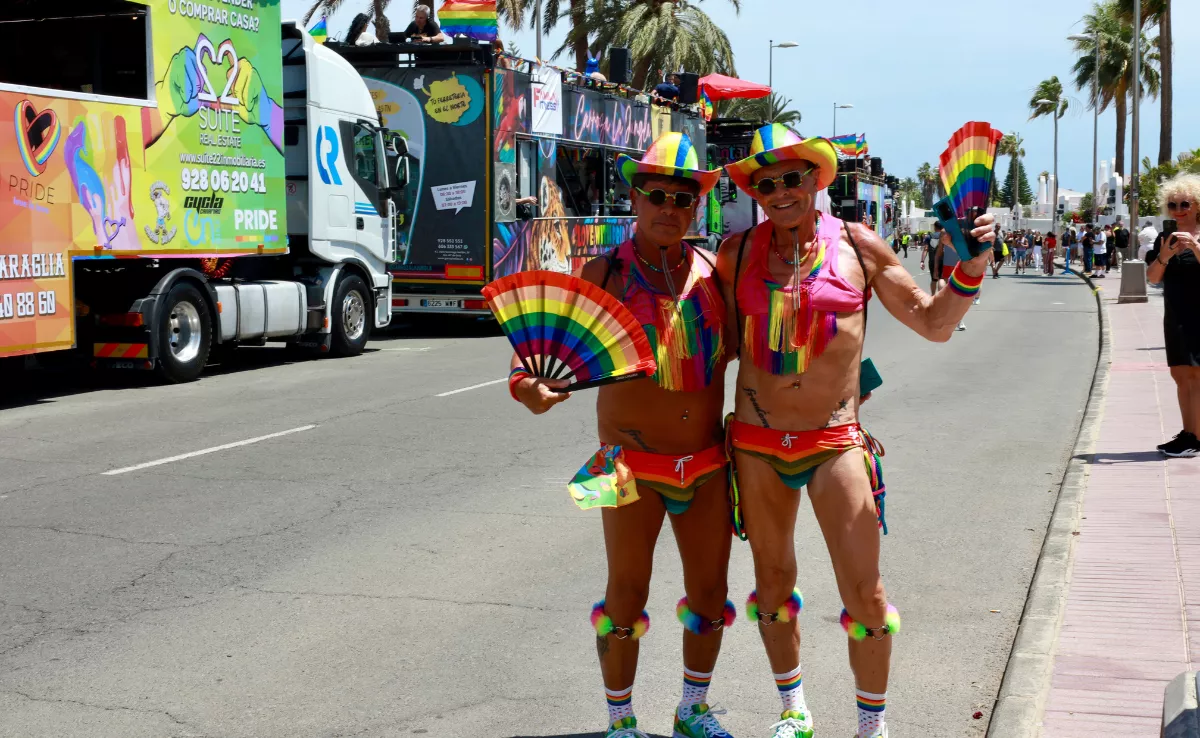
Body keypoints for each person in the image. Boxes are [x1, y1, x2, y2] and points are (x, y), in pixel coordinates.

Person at [716, 125, 994, 738]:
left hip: (833, 442)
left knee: (866, 595)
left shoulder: (859, 246)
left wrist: (970, 269)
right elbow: (714, 349)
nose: (781, 191)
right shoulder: (736, 255)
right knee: (770, 586)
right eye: (766, 183)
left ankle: (872, 724)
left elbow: (933, 322)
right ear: (756, 192)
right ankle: (794, 710)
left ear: (816, 179)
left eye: (792, 177)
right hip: (758, 446)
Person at [512, 132, 738, 738]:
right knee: (625, 593)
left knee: (711, 595)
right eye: (657, 194)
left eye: (683, 198)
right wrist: (529, 389)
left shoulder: (715, 274)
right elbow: (536, 358)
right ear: (635, 197)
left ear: (697, 207)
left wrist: (851, 383)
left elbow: (770, 352)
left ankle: (692, 709)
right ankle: (620, 721)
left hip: (708, 465)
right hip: (627, 466)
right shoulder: (603, 271)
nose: (669, 207)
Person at [1145, 174, 1200, 457]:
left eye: (1184, 203)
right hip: (1176, 312)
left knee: (1198, 375)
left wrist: (1195, 246)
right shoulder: (1163, 239)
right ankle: (1189, 433)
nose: (1178, 209)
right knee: (1180, 374)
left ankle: (1195, 436)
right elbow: (1153, 278)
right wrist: (1164, 256)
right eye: (1172, 204)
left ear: (1197, 204)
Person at [920, 223, 942, 294]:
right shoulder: (944, 235)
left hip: (932, 260)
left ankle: (933, 295)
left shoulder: (929, 236)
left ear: (935, 227)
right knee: (941, 279)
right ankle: (940, 297)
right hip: (943, 260)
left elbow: (926, 249)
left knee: (933, 280)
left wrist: (922, 261)